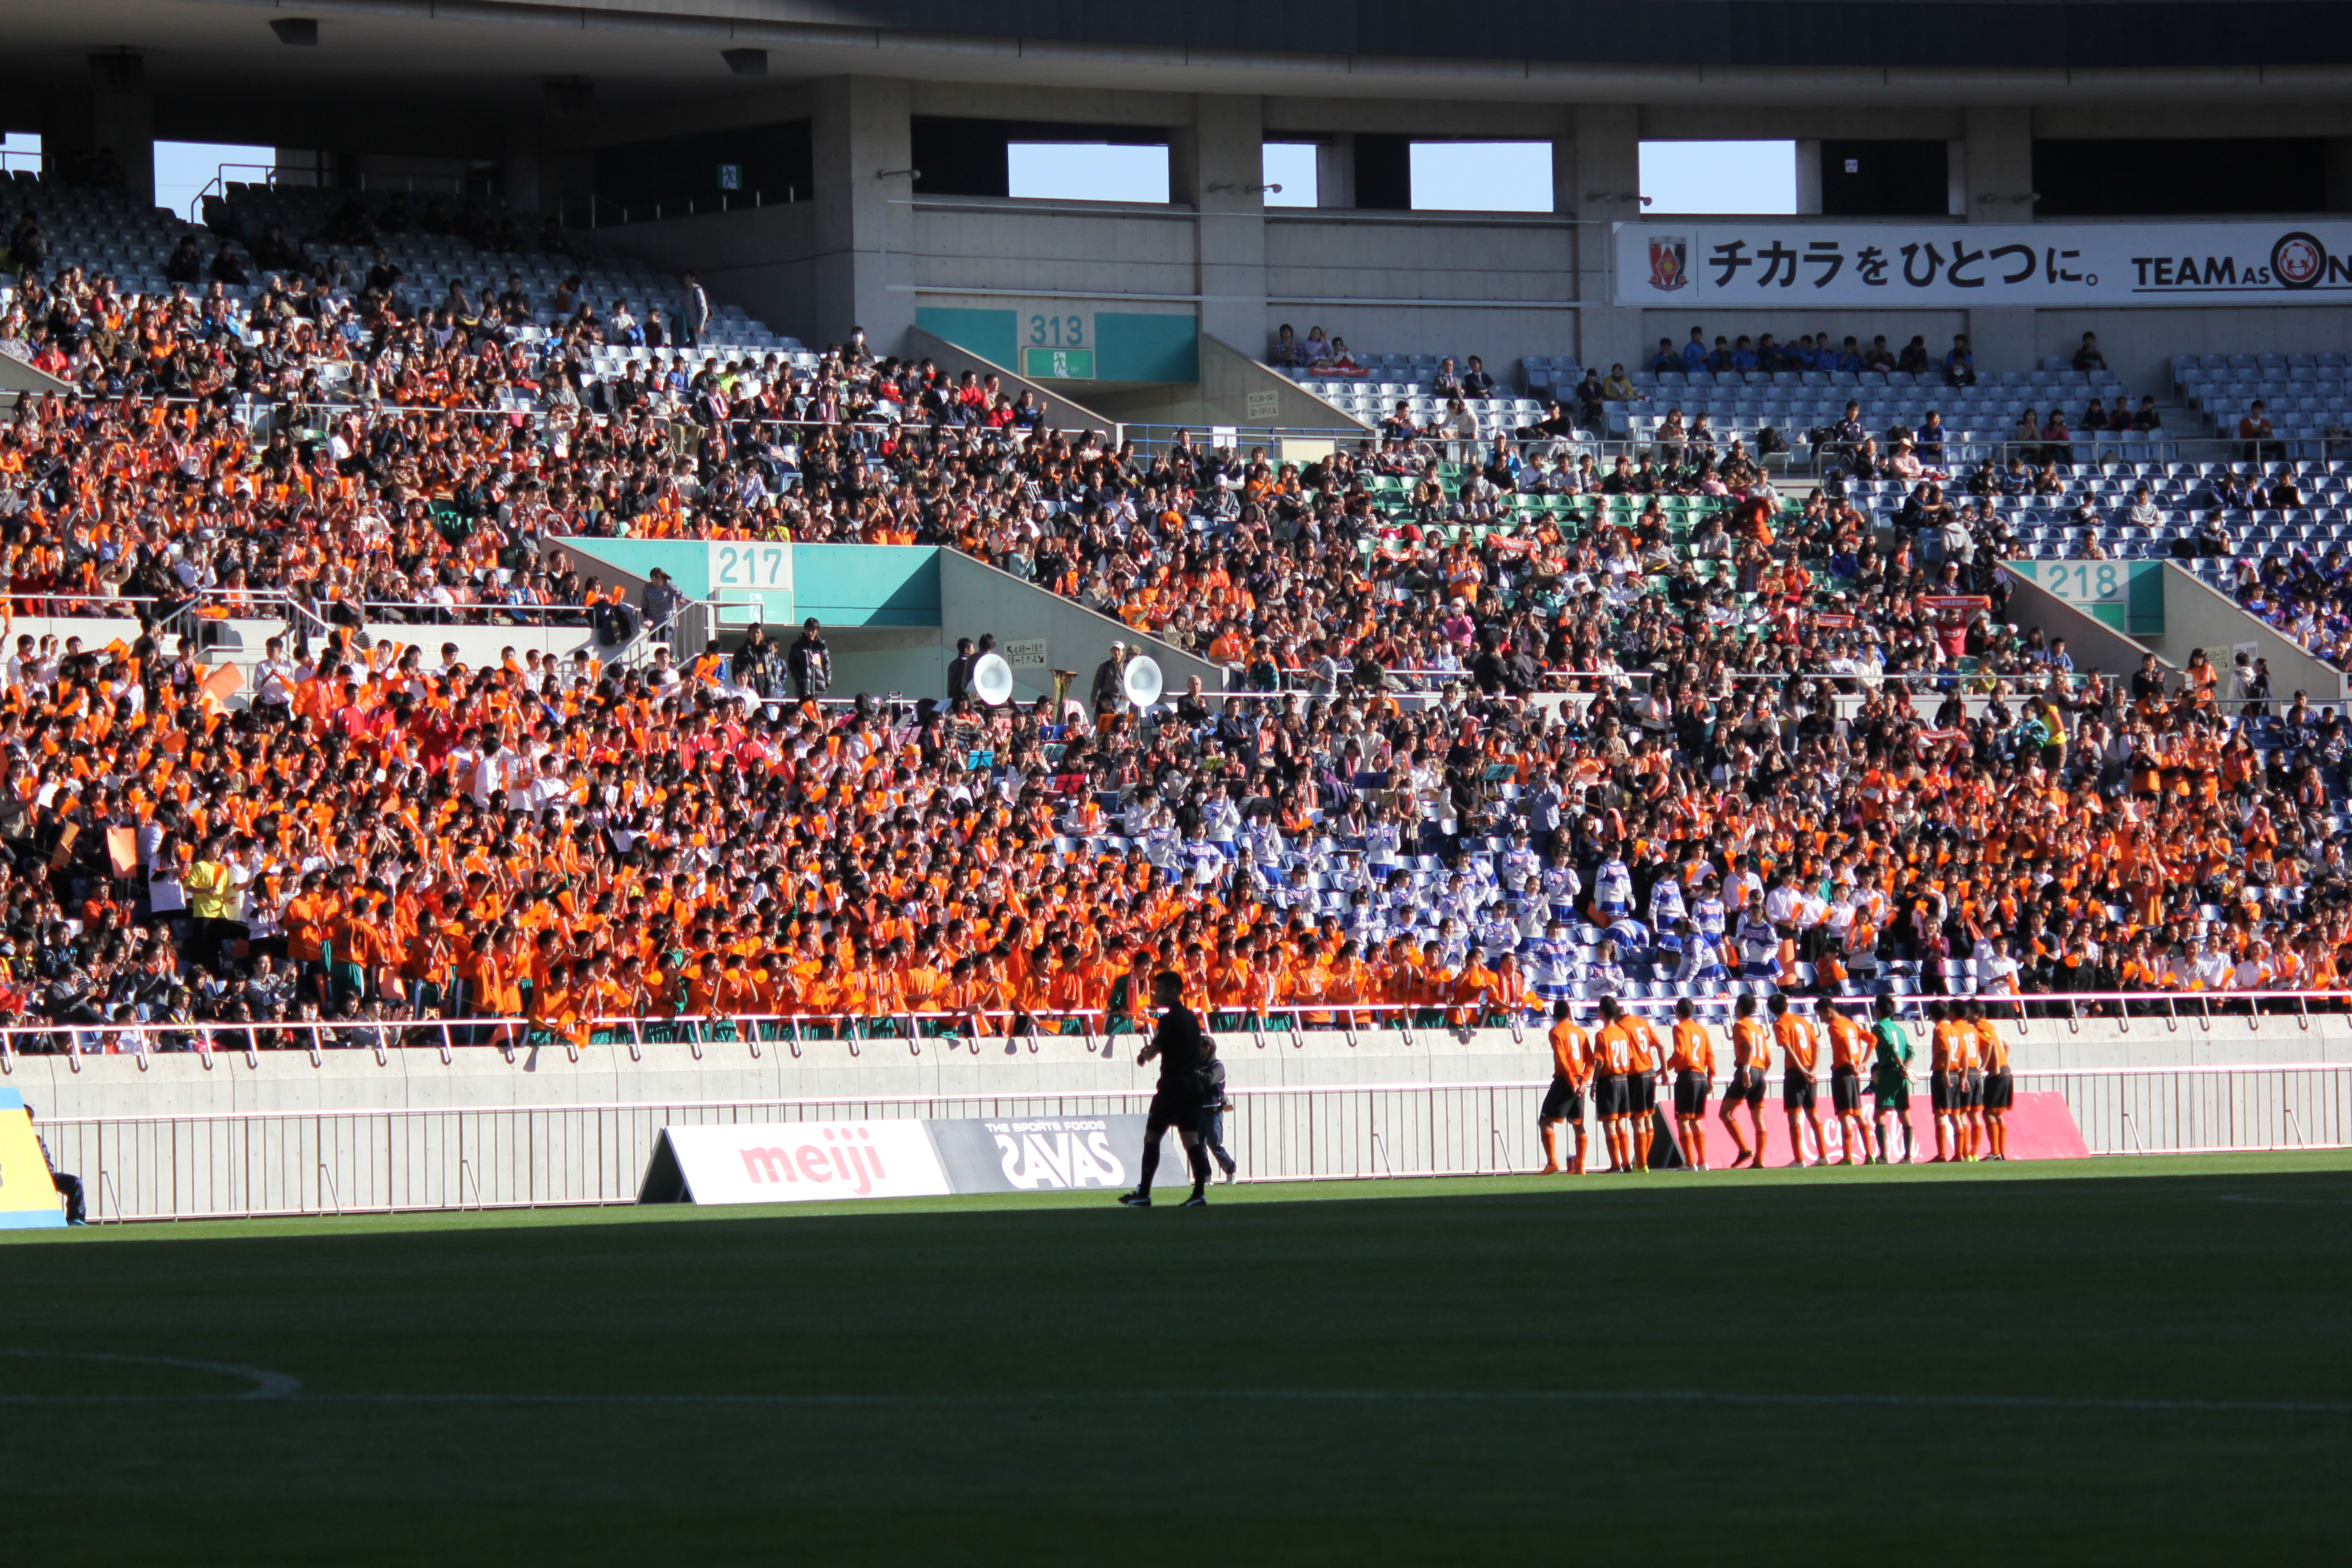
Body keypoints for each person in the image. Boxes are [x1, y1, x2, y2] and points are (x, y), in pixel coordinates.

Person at [1119, 970, 1213, 1207]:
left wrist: (1143, 1056)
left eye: (1159, 989)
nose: (1155, 993)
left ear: (1172, 991)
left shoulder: (1170, 1019)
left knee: (1153, 1136)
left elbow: (1156, 1048)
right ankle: (1200, 1193)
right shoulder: (1192, 1019)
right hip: (1194, 1085)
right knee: (1192, 1139)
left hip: (1174, 1084)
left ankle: (1145, 1193)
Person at [1537, 999, 1591, 1175]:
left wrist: (1572, 1082)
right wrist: (1584, 1082)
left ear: (1554, 1015)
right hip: (1579, 1080)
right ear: (1570, 1014)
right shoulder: (1581, 1033)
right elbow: (1591, 1060)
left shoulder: (1556, 1032)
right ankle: (1581, 1167)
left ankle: (1553, 1162)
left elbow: (1561, 1059)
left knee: (1545, 1121)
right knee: (1578, 1124)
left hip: (1565, 1080)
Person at [1770, 993, 1824, 1168]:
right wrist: (1812, 1070)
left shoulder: (1780, 1024)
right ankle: (1823, 1156)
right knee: (1812, 1113)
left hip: (1796, 1072)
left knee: (1794, 1117)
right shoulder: (1803, 1021)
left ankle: (1799, 1160)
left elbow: (1789, 1049)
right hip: (1810, 1070)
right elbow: (1817, 1045)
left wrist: (1801, 1070)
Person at [1718, 994, 1770, 1168]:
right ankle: (1759, 1160)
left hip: (1746, 1071)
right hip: (1761, 1072)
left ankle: (1744, 1150)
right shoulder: (1759, 1028)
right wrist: (1759, 1073)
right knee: (1759, 1119)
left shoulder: (1740, 1025)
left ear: (1739, 1008)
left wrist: (1747, 1071)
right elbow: (1768, 1058)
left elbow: (1748, 1046)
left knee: (1725, 1113)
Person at [1666, 998, 1715, 1170]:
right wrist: (1711, 1078)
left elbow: (1680, 1053)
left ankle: (1690, 1163)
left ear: (1677, 1013)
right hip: (1702, 1076)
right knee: (1696, 1120)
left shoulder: (1679, 1028)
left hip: (1688, 1076)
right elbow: (1710, 1054)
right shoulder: (1701, 1030)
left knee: (1684, 1120)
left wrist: (1664, 1068)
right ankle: (1703, 1162)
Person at [1825, 1000, 1874, 1166]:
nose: (1821, 1018)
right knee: (1858, 1113)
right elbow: (1873, 1040)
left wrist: (1852, 1063)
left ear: (1829, 1011)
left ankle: (1848, 1157)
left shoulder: (1835, 1026)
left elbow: (1845, 1042)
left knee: (1845, 1114)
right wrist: (1864, 1062)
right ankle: (1870, 1154)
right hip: (1855, 1075)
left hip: (1843, 1072)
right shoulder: (1850, 1023)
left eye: (1821, 1014)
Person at [1869, 996, 1916, 1165]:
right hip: (1902, 1076)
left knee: (1879, 1115)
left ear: (1879, 1010)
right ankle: (1909, 1157)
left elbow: (1889, 1047)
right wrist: (1906, 1067)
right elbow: (1911, 1052)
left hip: (1889, 1074)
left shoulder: (1879, 1027)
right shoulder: (1898, 1028)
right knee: (1904, 1115)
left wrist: (1900, 1066)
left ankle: (1884, 1156)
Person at [24, 1102, 85, 1225]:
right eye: (29, 1120)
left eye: (31, 1120)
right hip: (28, 1179)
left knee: (75, 1183)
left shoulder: (37, 1140)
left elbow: (47, 1162)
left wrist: (49, 1177)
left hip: (46, 1177)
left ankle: (76, 1220)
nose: (32, 1124)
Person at [787, 617, 831, 701]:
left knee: (819, 711)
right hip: (804, 689)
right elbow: (792, 665)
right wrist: (799, 680)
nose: (811, 633)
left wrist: (827, 681)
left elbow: (827, 664)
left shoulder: (822, 647)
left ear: (817, 631)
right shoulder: (797, 646)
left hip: (820, 688)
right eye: (808, 630)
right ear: (805, 630)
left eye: (813, 630)